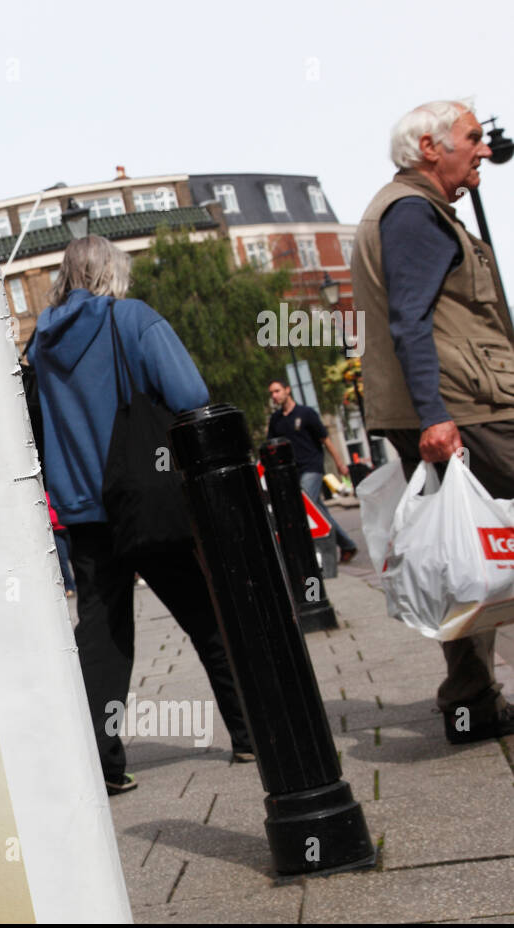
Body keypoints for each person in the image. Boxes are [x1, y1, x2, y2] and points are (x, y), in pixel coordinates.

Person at [29, 235, 254, 795]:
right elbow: (189, 391)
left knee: (101, 635)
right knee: (206, 617)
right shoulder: (132, 320)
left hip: (83, 512)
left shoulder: (40, 346)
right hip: (146, 500)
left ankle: (101, 765)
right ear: (113, 273)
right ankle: (252, 732)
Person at [351, 98, 514, 744]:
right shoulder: (414, 215)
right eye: (471, 138)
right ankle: (469, 694)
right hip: (465, 403)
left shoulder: (416, 208)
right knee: (465, 545)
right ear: (429, 148)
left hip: (456, 400)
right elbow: (410, 320)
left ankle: (470, 697)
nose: (482, 148)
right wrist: (437, 416)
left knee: (464, 549)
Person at [265, 379, 358, 562]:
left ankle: (314, 556)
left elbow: (326, 440)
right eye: (271, 393)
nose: (274, 396)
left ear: (287, 390)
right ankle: (347, 544)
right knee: (319, 512)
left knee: (304, 505)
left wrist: (340, 464)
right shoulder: (276, 420)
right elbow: (270, 448)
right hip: (292, 473)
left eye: (277, 391)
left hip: (312, 468)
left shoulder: (306, 414)